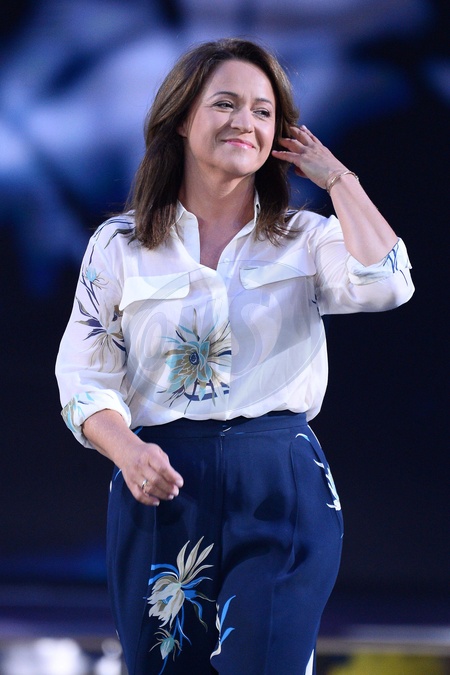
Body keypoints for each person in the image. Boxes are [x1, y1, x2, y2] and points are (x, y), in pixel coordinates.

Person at [55, 38, 414, 675]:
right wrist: (129, 452)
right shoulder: (119, 244)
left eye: (262, 110)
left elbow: (388, 282)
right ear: (181, 118)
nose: (244, 122)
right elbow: (83, 379)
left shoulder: (306, 238)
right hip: (162, 484)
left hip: (281, 482)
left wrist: (339, 179)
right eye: (224, 104)